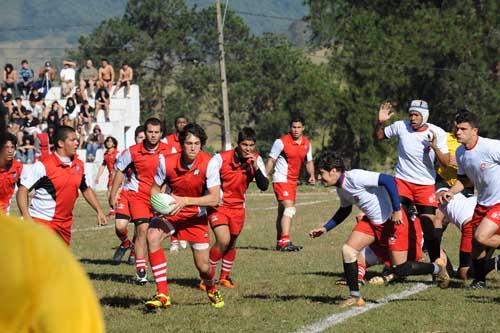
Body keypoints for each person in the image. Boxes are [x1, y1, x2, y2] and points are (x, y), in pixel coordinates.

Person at [309, 153, 449, 307]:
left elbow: (388, 180)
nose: (320, 178)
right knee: (348, 251)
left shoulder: (356, 177)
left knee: (400, 269)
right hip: (372, 223)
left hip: (393, 221)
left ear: (334, 170)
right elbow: (344, 210)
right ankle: (355, 296)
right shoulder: (341, 189)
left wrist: (396, 209)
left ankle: (437, 268)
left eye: (322, 173)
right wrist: (325, 228)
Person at [145, 123, 224, 310]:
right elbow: (154, 189)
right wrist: (158, 204)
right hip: (172, 210)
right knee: (152, 235)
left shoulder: (210, 163)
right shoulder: (166, 162)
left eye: (197, 143)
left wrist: (186, 201)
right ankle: (162, 294)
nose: (193, 147)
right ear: (182, 143)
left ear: (201, 144)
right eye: (189, 143)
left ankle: (211, 287)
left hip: (195, 215)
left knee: (203, 267)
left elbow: (214, 199)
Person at [0, 213, 105, 333]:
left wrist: (98, 209)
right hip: (43, 224)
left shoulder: (30, 245)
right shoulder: (32, 247)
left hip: (61, 224)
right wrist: (26, 215)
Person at [374, 100, 449, 265]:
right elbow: (378, 136)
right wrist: (380, 122)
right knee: (398, 220)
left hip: (425, 185)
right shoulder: (401, 126)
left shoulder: (437, 132)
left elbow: (445, 162)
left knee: (429, 226)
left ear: (425, 116)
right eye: (411, 114)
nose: (413, 118)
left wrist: (435, 147)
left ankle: (437, 263)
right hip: (403, 182)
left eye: (417, 115)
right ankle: (394, 262)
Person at [199, 127, 269, 290]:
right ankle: (206, 277)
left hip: (238, 207)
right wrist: (212, 197)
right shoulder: (220, 159)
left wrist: (256, 168)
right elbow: (206, 179)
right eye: (245, 145)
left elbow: (264, 186)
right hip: (219, 205)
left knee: (232, 242)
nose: (248, 149)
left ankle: (224, 277)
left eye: (251, 145)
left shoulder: (256, 160)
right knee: (223, 240)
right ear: (238, 144)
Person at [16, 126, 108, 245]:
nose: (77, 143)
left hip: (64, 225)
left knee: (57, 262)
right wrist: (26, 217)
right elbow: (22, 190)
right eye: (72, 140)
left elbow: (85, 189)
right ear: (60, 143)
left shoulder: (78, 164)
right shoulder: (44, 166)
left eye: (77, 139)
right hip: (42, 221)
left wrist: (99, 210)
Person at [439, 111, 500, 288]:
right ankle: (480, 280)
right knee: (476, 245)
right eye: (457, 128)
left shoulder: (492, 147)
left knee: (482, 236)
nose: (458, 132)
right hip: (482, 203)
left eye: (463, 129)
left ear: (475, 131)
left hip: (498, 202)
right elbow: (464, 180)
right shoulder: (460, 153)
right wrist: (451, 192)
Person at [109, 118, 169, 280]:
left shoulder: (168, 151)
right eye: (150, 132)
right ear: (146, 132)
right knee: (142, 229)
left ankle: (141, 259)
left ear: (161, 133)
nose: (153, 135)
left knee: (150, 233)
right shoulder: (133, 151)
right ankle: (141, 269)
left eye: (157, 132)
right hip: (138, 195)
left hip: (158, 197)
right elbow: (120, 170)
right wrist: (113, 193)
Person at [265, 115, 315, 251]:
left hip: (293, 182)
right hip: (281, 179)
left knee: (282, 213)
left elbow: (309, 162)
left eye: (299, 127)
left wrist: (311, 175)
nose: (296, 130)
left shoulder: (307, 144)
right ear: (290, 127)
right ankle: (285, 241)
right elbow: (271, 160)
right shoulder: (280, 142)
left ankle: (279, 241)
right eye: (294, 127)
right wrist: (263, 176)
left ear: (303, 128)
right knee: (289, 208)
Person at [435, 188, 499, 281]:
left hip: (471, 223)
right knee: (479, 261)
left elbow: (437, 221)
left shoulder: (436, 199)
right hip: (491, 216)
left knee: (464, 273)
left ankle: (497, 262)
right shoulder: (455, 193)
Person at [110, 126, 145, 266]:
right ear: (135, 138)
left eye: (144, 137)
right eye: (139, 137)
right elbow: (118, 171)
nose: (142, 140)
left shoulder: (153, 155)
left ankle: (133, 252)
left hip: (143, 196)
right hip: (126, 192)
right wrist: (113, 192)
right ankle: (126, 243)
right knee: (119, 226)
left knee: (139, 226)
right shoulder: (128, 153)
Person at [0, 132, 22, 214]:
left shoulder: (18, 167)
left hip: (5, 210)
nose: (10, 151)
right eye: (6, 147)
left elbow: (22, 191)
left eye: (12, 147)